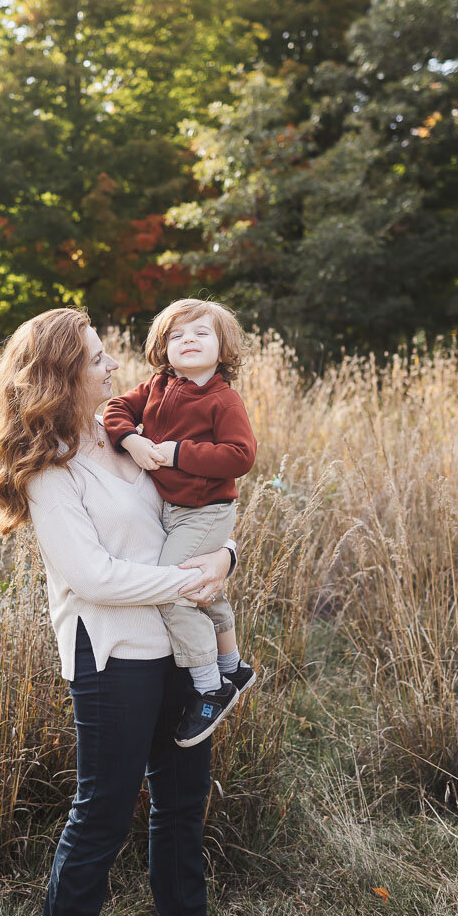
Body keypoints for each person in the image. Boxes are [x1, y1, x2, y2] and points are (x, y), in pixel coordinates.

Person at [0, 307, 253, 916]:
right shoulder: (49, 469)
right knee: (99, 818)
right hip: (112, 658)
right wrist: (186, 582)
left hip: (173, 645)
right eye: (98, 358)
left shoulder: (123, 433)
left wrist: (226, 562)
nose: (113, 366)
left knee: (182, 806)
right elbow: (90, 576)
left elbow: (206, 503)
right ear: (63, 374)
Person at [102, 298, 258, 748]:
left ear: (222, 346)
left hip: (206, 509)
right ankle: (233, 668)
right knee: (200, 587)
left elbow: (240, 456)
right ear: (162, 348)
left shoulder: (223, 399)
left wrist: (174, 452)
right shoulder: (155, 386)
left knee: (175, 589)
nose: (187, 340)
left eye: (200, 333)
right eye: (176, 335)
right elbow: (116, 411)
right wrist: (131, 441)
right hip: (173, 508)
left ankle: (211, 690)